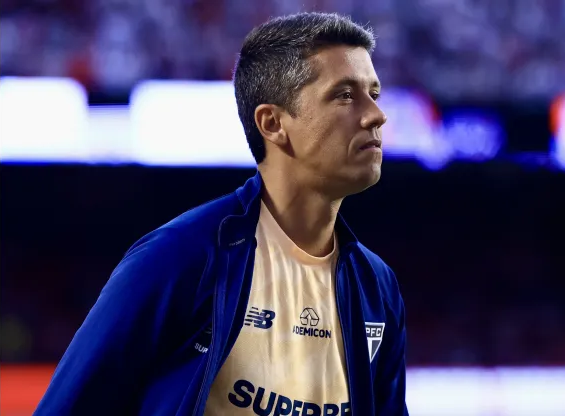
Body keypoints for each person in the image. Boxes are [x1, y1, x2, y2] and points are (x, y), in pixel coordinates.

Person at [35, 12, 408, 416]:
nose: (376, 115)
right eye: (345, 95)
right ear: (272, 123)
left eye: (374, 93)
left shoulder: (377, 287)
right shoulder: (181, 257)